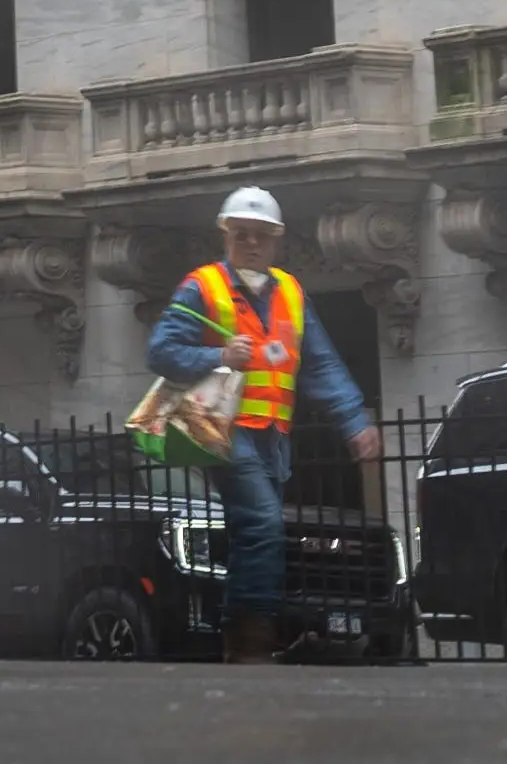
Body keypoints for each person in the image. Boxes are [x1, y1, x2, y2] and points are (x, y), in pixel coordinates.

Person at [146, 184, 376, 662]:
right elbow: (161, 351)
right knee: (264, 525)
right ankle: (252, 643)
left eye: (261, 235)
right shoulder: (203, 286)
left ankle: (238, 639)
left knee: (251, 531)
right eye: (241, 234)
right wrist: (218, 354)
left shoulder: (290, 292)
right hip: (222, 432)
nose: (251, 243)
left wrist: (354, 420)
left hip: (273, 438)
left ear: (277, 239)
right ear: (225, 236)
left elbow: (320, 364)